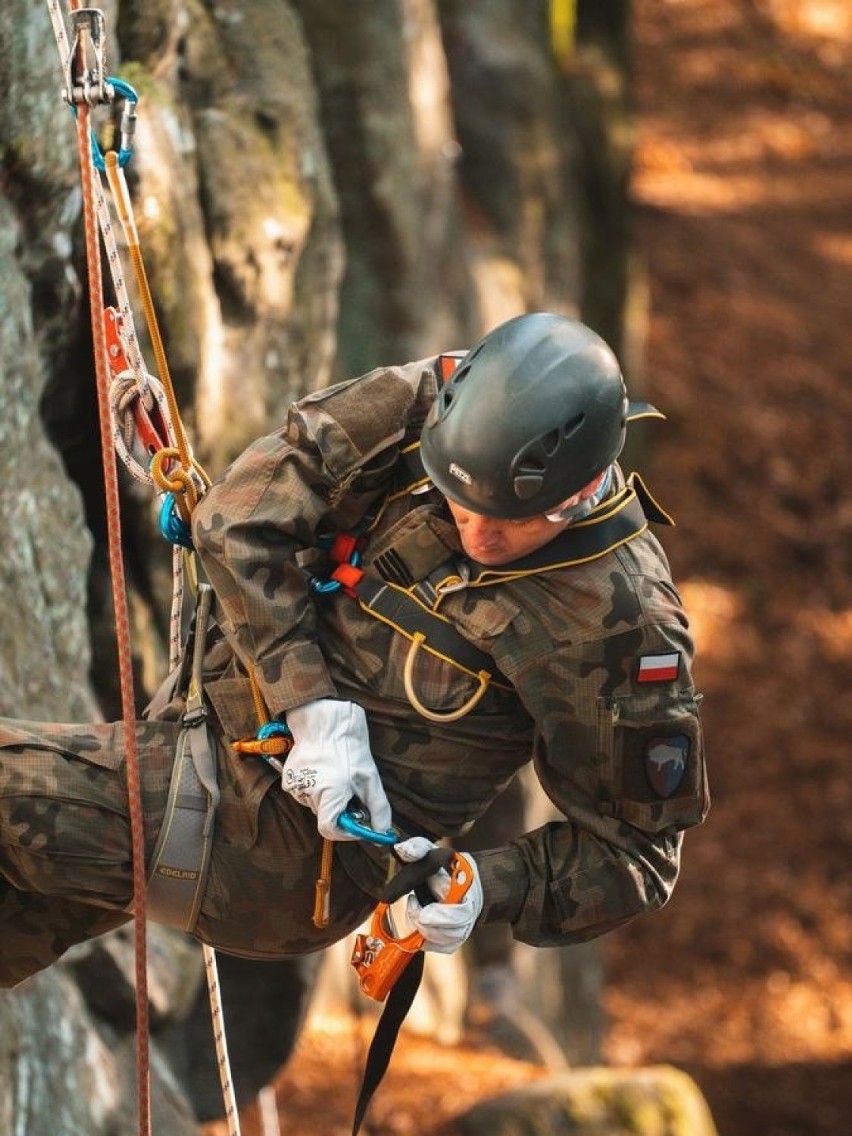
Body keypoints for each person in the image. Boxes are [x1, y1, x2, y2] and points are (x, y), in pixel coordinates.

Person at [0, 312, 708, 990]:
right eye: (461, 506)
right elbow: (241, 519)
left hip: (279, 854)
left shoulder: (621, 624)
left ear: (584, 489)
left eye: (512, 522)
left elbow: (636, 854)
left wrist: (486, 887)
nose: (479, 538)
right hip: (194, 729)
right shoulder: (425, 408)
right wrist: (309, 707)